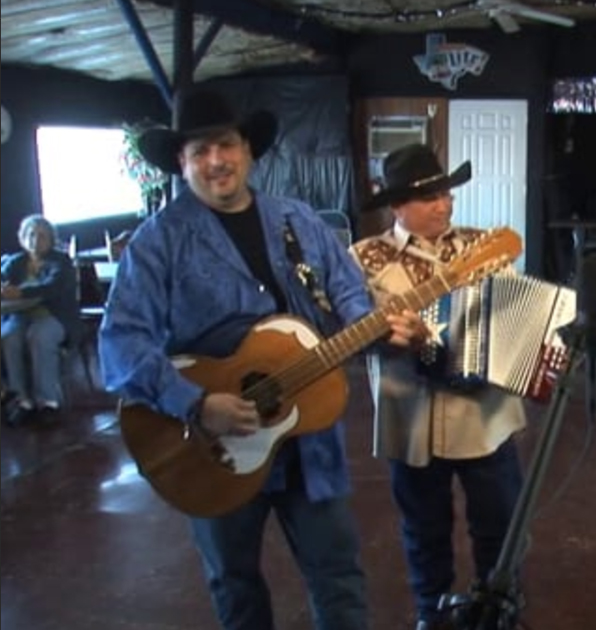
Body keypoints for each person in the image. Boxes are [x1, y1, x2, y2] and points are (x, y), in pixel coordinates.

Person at [98, 89, 428, 630]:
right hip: (211, 448)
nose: (215, 161)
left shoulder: (297, 220)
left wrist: (381, 329)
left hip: (308, 436)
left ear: (248, 150)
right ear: (181, 164)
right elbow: (120, 342)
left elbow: (349, 299)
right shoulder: (159, 241)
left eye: (225, 145)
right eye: (198, 152)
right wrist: (198, 403)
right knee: (236, 587)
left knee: (339, 577)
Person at [349, 144, 526, 630]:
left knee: (500, 523)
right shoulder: (362, 258)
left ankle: (501, 607)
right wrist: (385, 338)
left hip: (485, 416)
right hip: (411, 417)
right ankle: (432, 610)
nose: (445, 204)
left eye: (447, 194)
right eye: (430, 197)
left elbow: (512, 310)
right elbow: (348, 333)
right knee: (423, 527)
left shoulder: (482, 244)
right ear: (397, 204)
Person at [2, 215, 81, 425]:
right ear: (22, 238)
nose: (35, 239)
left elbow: (52, 288)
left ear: (51, 239)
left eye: (42, 235)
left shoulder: (61, 262)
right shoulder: (15, 262)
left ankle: (48, 401)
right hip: (20, 316)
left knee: (39, 336)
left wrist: (19, 292)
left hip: (53, 315)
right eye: (30, 234)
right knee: (9, 337)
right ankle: (22, 401)